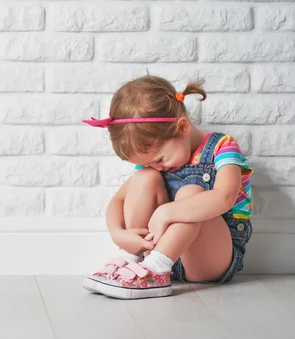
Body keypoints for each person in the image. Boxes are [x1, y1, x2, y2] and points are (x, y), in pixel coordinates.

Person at [82, 76, 253, 299]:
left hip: (209, 259)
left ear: (181, 127)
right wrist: (119, 234)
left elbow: (225, 198)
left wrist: (166, 212)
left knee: (190, 193)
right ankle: (134, 261)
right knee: (144, 178)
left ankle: (156, 269)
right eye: (150, 162)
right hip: (156, 257)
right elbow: (117, 201)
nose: (158, 167)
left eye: (160, 160)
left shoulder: (223, 146)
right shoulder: (154, 167)